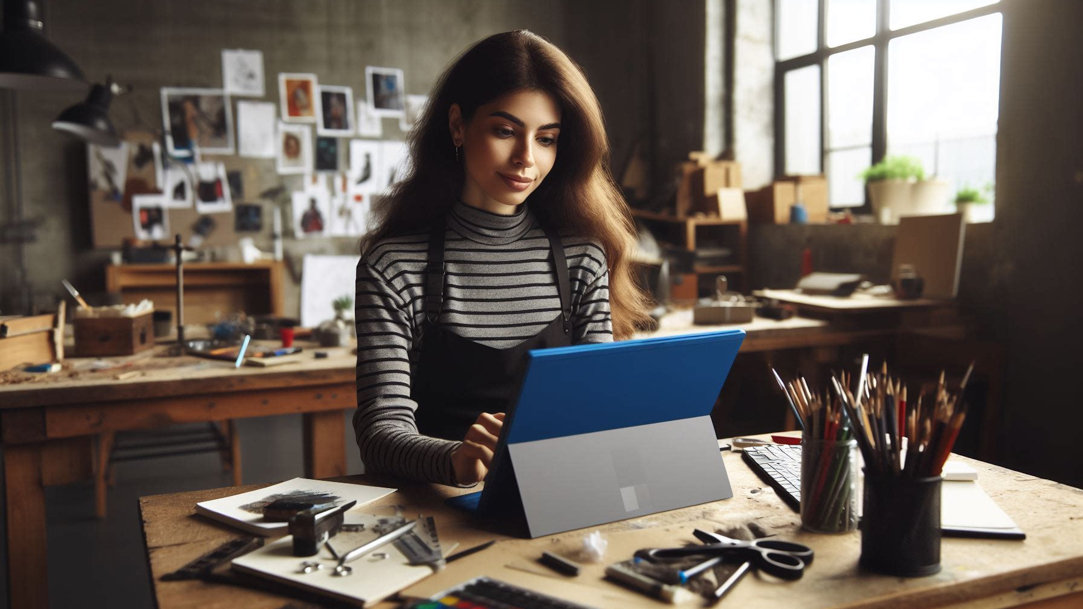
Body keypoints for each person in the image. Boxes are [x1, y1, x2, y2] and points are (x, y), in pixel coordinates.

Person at [353, 30, 651, 487]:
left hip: (562, 493)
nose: (525, 159)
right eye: (505, 131)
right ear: (457, 125)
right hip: (437, 508)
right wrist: (456, 458)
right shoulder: (394, 267)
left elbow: (596, 408)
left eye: (546, 138)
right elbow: (380, 433)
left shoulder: (583, 259)